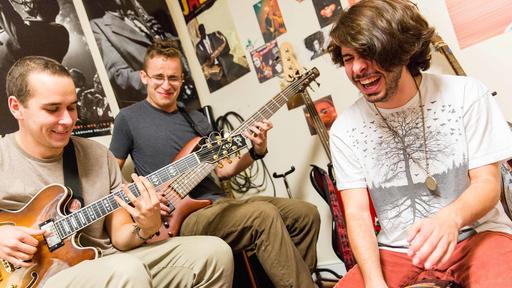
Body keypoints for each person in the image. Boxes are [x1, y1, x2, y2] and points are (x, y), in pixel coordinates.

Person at [0, 55, 233, 287]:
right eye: (52, 109)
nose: (67, 120)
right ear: (16, 107)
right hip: (42, 279)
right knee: (126, 271)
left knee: (214, 253)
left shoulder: (98, 156)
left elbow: (121, 236)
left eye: (71, 107)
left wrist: (145, 226)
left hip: (109, 260)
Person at [327, 0, 512, 287]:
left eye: (369, 53)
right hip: (397, 251)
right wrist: (375, 282)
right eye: (348, 58)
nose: (359, 68)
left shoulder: (466, 94)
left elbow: (488, 184)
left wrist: (451, 218)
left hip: (477, 235)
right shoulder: (343, 129)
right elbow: (357, 213)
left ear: (402, 50)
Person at [110, 39, 321, 288]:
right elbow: (110, 174)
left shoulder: (195, 118)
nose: (166, 85)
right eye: (158, 77)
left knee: (306, 214)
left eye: (174, 78)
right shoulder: (128, 119)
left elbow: (222, 170)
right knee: (263, 216)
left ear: (181, 79)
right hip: (182, 216)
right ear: (144, 77)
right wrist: (145, 202)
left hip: (218, 203)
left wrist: (256, 150)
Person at [89, 0, 195, 108]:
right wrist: (164, 82)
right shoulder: (99, 25)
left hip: (189, 83)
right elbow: (120, 76)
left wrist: (163, 36)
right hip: (165, 101)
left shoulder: (136, 16)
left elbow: (173, 43)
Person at [0, 0, 69, 135]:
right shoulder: (32, 29)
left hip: (21, 101)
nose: (25, 2)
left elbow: (21, 36)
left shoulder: (56, 30)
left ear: (36, 5)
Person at [195, 23, 249, 92]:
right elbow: (202, 62)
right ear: (198, 33)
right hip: (216, 73)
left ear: (205, 29)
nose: (201, 32)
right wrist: (210, 66)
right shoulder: (198, 46)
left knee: (240, 75)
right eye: (200, 30)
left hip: (228, 63)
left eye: (202, 29)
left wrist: (216, 53)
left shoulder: (216, 34)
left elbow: (226, 45)